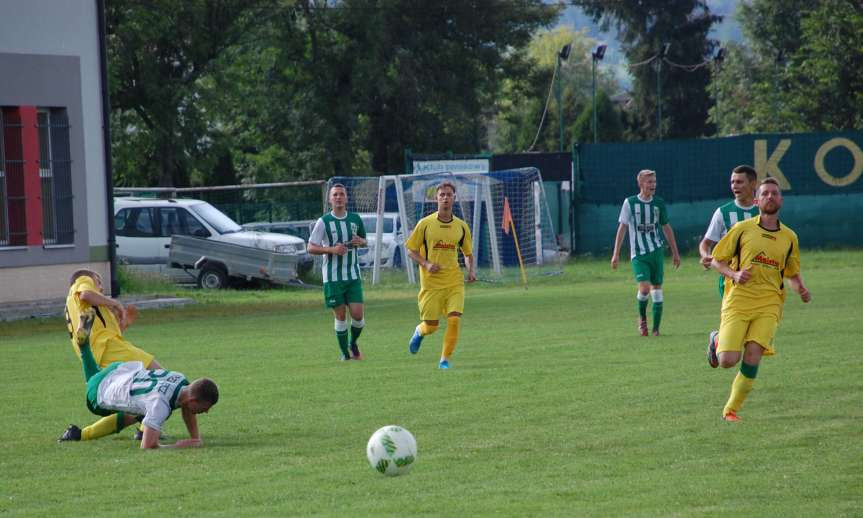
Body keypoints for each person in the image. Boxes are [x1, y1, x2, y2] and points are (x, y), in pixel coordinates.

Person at [707, 177, 811, 422]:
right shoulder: (743, 230)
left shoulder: (789, 237)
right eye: (765, 194)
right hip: (739, 300)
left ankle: (731, 410)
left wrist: (801, 288)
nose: (770, 197)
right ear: (756, 201)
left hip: (769, 303)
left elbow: (792, 272)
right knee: (727, 361)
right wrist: (734, 274)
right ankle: (717, 340)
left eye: (775, 193)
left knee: (753, 354)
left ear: (781, 200)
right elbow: (715, 260)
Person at [59, 308, 219, 448]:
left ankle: (84, 346)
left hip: (118, 370)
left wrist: (195, 438)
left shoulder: (181, 379)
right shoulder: (160, 405)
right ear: (193, 401)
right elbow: (147, 446)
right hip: (100, 394)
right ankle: (79, 434)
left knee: (136, 409)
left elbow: (187, 406)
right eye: (205, 408)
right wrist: (179, 446)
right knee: (100, 391)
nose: (206, 412)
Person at [63, 269, 163, 441]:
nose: (101, 289)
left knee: (133, 398)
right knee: (160, 376)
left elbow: (106, 331)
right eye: (99, 283)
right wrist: (114, 303)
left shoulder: (86, 306)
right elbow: (86, 294)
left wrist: (124, 323)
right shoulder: (83, 280)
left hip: (98, 353)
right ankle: (144, 429)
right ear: (92, 279)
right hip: (107, 347)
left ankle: (79, 434)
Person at [405, 181, 476, 369]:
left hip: (454, 282)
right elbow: (411, 250)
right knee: (432, 326)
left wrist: (470, 271)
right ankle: (420, 332)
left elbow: (468, 254)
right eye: (442, 195)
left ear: (454, 198)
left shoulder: (461, 227)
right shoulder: (425, 224)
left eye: (449, 195)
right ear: (436, 198)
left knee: (454, 319)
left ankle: (444, 360)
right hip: (431, 284)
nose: (445, 197)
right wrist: (426, 264)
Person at [699, 165, 760, 365]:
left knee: (752, 330)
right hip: (729, 280)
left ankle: (719, 340)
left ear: (753, 184)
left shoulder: (763, 210)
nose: (735, 185)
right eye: (733, 181)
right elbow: (706, 243)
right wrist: (705, 255)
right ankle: (718, 340)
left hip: (759, 281)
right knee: (738, 328)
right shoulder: (723, 212)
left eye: (739, 181)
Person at [611, 169, 681, 336]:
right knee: (644, 288)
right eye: (650, 182)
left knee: (657, 288)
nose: (653, 185)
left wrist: (675, 252)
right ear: (641, 183)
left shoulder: (658, 204)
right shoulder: (630, 203)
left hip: (656, 251)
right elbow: (622, 228)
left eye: (654, 182)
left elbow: (666, 227)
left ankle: (656, 329)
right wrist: (616, 254)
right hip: (639, 254)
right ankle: (642, 318)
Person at [307, 183, 368, 361]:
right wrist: (332, 250)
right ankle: (344, 354)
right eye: (335, 195)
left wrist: (361, 242)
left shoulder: (356, 219)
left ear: (346, 198)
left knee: (358, 316)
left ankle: (353, 342)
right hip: (333, 278)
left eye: (341, 194)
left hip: (353, 276)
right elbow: (310, 247)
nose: (339, 197)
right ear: (330, 199)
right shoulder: (323, 222)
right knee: (341, 315)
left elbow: (364, 240)